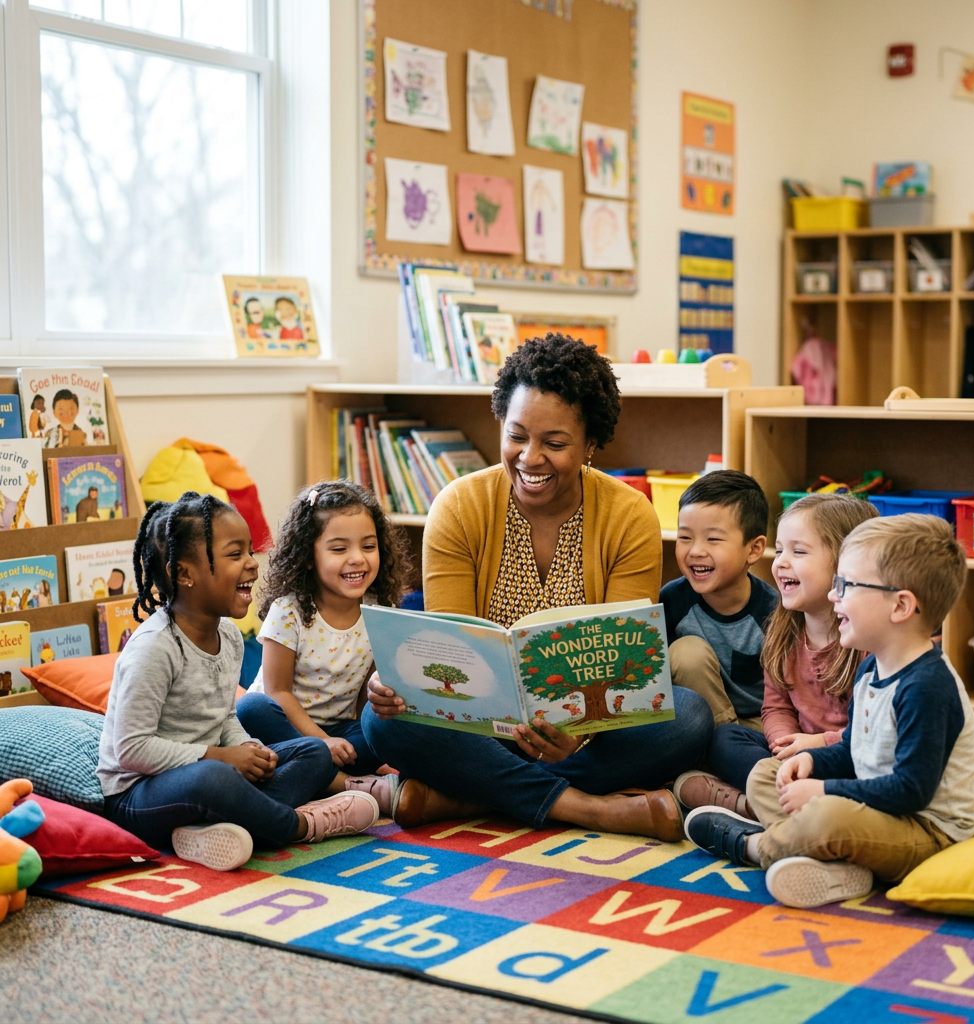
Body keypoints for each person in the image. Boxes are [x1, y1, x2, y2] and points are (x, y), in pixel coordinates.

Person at [362, 334, 714, 842]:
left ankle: (461, 796)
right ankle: (588, 809)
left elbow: (624, 663)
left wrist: (578, 733)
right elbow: (448, 653)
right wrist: (403, 687)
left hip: (586, 733)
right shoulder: (459, 506)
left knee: (689, 717)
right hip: (478, 730)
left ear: (591, 443)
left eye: (554, 443)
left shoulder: (629, 514)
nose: (530, 458)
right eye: (517, 435)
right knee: (382, 722)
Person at [684, 514, 974, 909]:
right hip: (876, 809)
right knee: (765, 775)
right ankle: (834, 864)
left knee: (827, 816)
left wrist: (824, 789)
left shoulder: (927, 686)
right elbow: (852, 753)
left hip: (926, 830)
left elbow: (911, 791)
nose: (832, 596)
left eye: (847, 586)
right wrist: (811, 761)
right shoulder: (872, 667)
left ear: (901, 606)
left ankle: (755, 846)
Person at [97, 491, 379, 872]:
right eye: (235, 555)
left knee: (313, 752)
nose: (252, 564)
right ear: (184, 573)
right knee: (213, 778)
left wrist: (250, 750)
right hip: (140, 796)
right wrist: (220, 757)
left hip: (214, 773)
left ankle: (220, 828)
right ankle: (300, 824)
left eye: (250, 552)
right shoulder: (154, 648)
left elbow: (225, 716)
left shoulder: (228, 636)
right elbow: (131, 749)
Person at [676, 493, 878, 818]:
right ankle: (776, 800)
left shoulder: (868, 641)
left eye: (798, 551)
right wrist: (784, 744)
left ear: (846, 565)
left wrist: (819, 745)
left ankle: (761, 805)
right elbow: (776, 705)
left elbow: (875, 732)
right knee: (725, 738)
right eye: (780, 549)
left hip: (847, 756)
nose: (780, 561)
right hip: (795, 753)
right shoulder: (783, 630)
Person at [237, 481, 410, 816]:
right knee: (250, 707)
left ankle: (317, 781)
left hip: (341, 733)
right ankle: (345, 786)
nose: (357, 559)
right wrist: (321, 743)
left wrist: (375, 735)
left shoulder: (378, 611)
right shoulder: (289, 611)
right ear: (307, 557)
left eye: (368, 546)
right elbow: (277, 692)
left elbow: (365, 695)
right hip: (282, 730)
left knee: (386, 725)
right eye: (339, 549)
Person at [662, 471, 776, 735]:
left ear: (754, 549)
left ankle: (723, 753)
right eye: (685, 537)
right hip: (696, 723)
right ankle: (721, 749)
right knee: (688, 651)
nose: (696, 551)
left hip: (757, 725)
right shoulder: (671, 600)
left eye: (713, 539)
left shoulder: (775, 612)